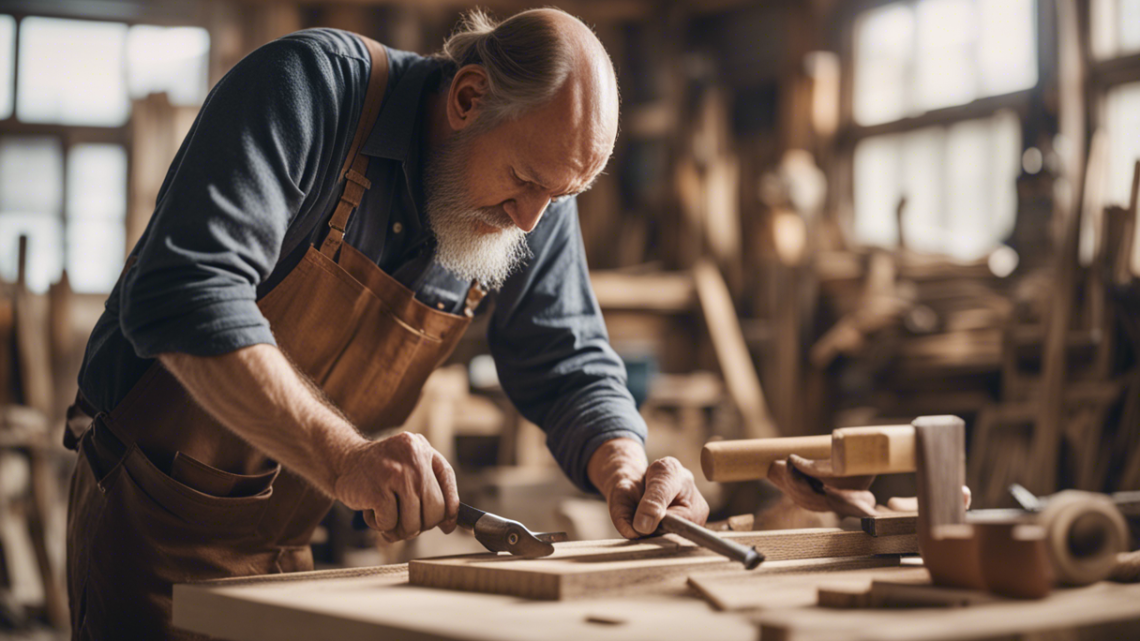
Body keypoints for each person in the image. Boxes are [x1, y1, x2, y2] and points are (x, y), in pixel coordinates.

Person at [64, 8, 708, 639]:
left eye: (561, 196)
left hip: (288, 541)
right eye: (523, 180)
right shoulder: (312, 90)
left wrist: (624, 470)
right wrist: (343, 459)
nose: (532, 221)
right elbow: (184, 291)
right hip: (149, 519)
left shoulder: (536, 192)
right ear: (469, 96)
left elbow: (567, 363)